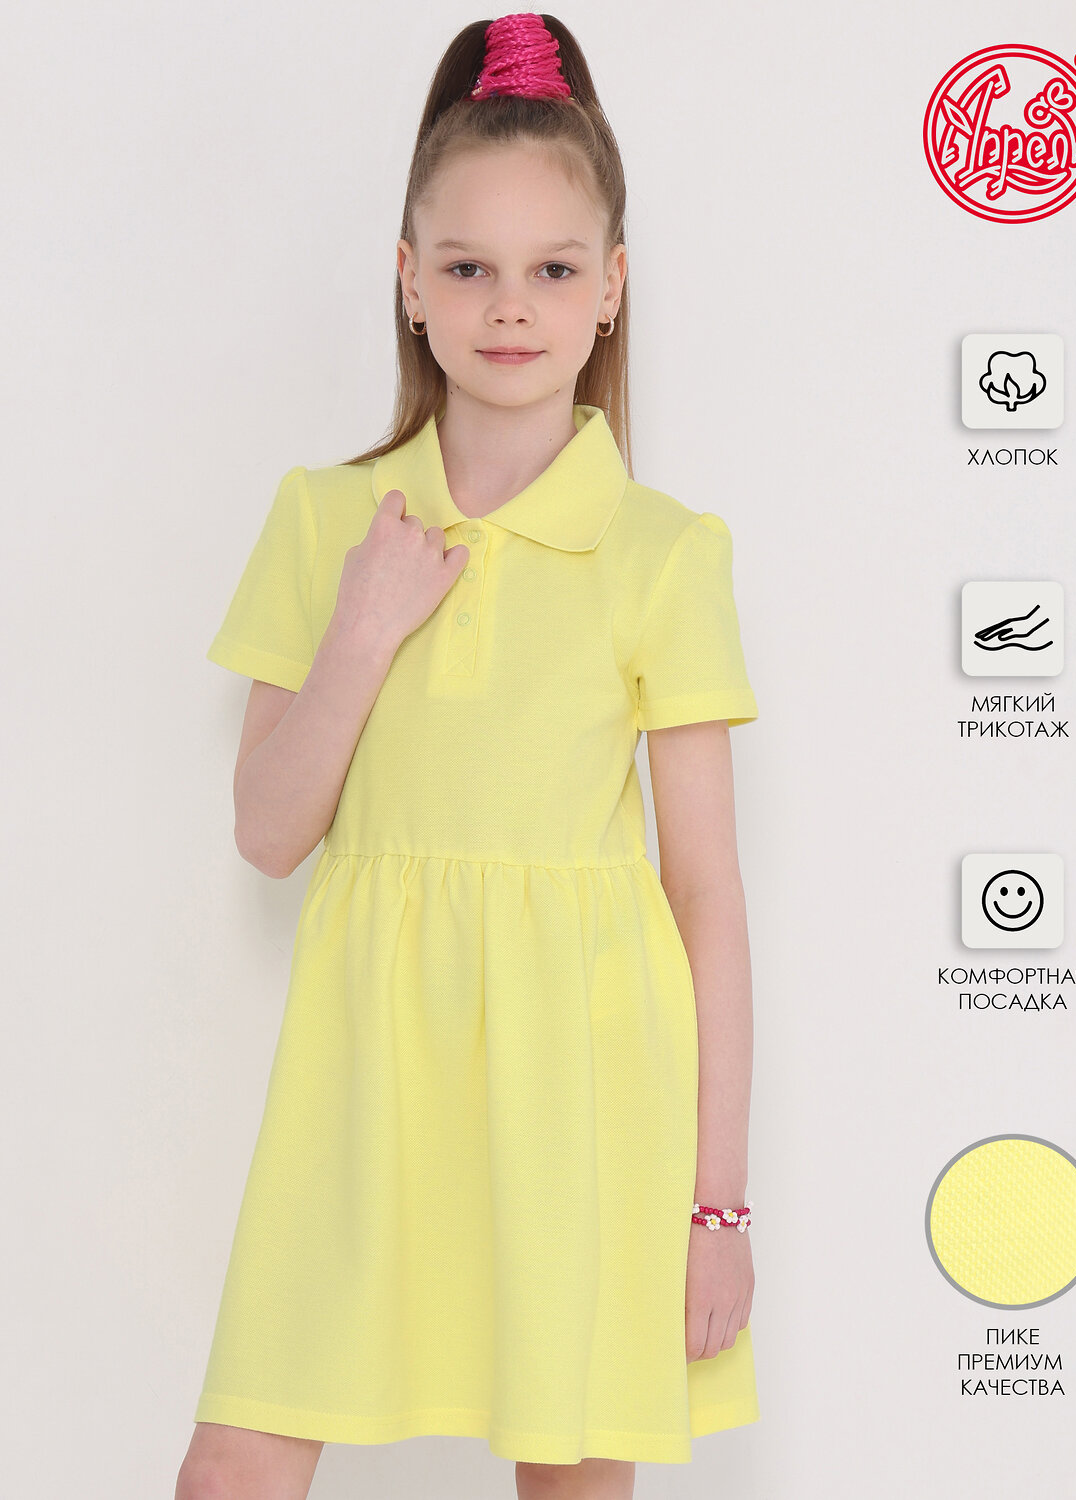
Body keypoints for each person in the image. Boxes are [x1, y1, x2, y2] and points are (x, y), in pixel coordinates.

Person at [177, 13, 760, 1500]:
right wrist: (364, 627)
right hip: (361, 1076)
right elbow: (267, 831)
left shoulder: (663, 550)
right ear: (408, 280)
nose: (510, 308)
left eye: (554, 270)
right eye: (467, 268)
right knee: (236, 1461)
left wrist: (716, 1208)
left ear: (611, 287)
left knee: (570, 1477)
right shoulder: (325, 518)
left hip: (584, 1084)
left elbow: (705, 897)